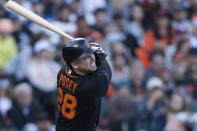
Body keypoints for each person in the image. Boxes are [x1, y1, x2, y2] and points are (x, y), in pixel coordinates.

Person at [56, 38, 112, 131]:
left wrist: (86, 49)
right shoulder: (92, 86)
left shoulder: (63, 71)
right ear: (74, 65)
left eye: (91, 53)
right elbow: (106, 71)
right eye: (86, 57)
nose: (92, 58)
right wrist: (100, 54)